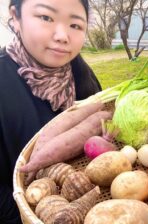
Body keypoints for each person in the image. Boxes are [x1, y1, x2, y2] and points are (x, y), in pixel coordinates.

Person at [0, 0, 102, 223]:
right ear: (16, 17)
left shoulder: (83, 76)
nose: (62, 36)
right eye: (46, 17)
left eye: (75, 25)